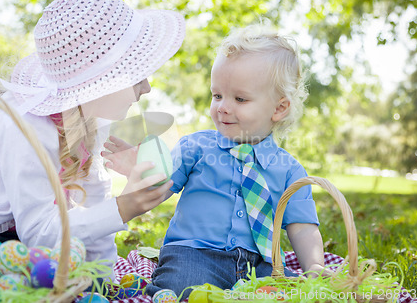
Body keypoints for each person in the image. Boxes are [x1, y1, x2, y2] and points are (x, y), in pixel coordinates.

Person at [0, 0, 184, 280]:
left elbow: (94, 201)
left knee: (71, 270)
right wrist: (123, 208)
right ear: (102, 81)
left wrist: (107, 282)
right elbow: (39, 234)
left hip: (7, 241)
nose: (147, 87)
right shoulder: (23, 124)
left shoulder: (88, 120)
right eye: (136, 75)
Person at [104, 23, 326, 298]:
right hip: (195, 254)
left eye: (240, 98)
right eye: (217, 95)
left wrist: (315, 266)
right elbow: (160, 187)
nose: (222, 106)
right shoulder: (196, 147)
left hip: (262, 265)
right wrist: (143, 171)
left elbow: (302, 228)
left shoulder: (291, 171)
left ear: (279, 108)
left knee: (297, 292)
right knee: (184, 287)